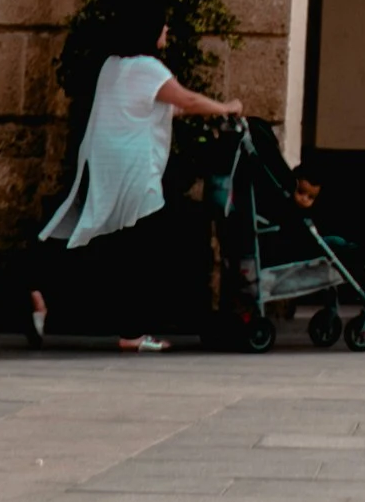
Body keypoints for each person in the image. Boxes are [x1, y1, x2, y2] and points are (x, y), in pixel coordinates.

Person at [29, 41, 235, 349]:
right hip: (135, 173)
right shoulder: (148, 67)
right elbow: (187, 99)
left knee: (102, 239)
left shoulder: (113, 65)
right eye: (162, 26)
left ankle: (39, 288)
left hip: (103, 165)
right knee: (142, 251)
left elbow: (145, 107)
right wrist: (228, 108)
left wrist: (173, 113)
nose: (167, 31)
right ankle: (132, 333)